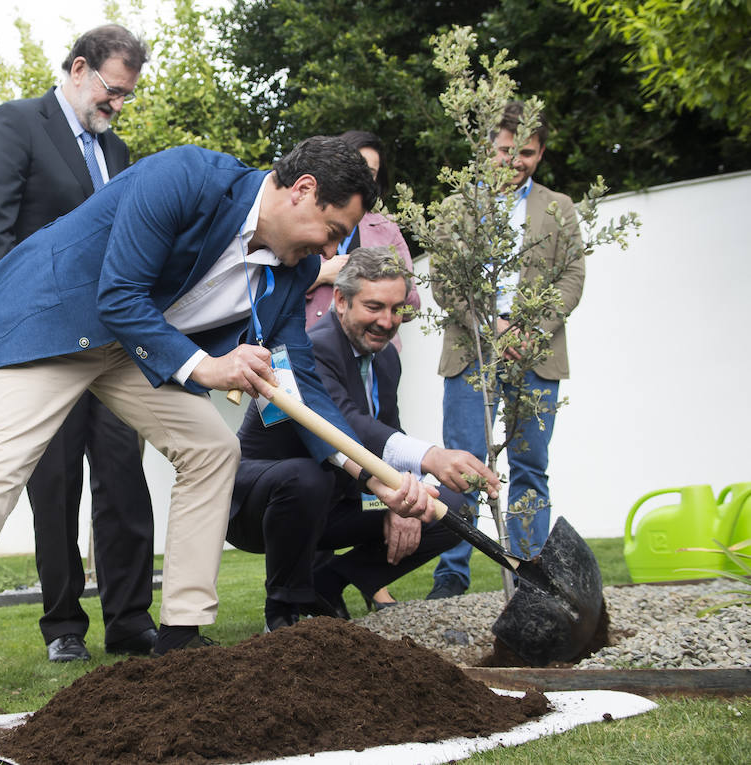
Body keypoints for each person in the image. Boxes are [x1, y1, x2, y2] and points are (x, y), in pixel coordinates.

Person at [0, 136, 440, 725]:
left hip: (135, 350)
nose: (334, 249)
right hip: (54, 322)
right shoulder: (186, 176)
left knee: (212, 448)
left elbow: (299, 384)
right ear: (302, 191)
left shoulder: (292, 274)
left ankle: (181, 639)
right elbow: (119, 294)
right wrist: (209, 367)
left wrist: (371, 474)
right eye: (332, 229)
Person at [0, 24, 157, 663]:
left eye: (128, 96)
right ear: (79, 69)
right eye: (113, 90)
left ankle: (133, 622)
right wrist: (22, 328)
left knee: (123, 482)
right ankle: (64, 630)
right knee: (54, 489)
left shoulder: (121, 153)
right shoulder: (18, 123)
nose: (118, 105)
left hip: (109, 345)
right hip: (45, 346)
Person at [228, 247, 500, 632]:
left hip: (341, 499)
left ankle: (329, 582)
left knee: (447, 506)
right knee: (309, 477)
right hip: (261, 504)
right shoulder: (312, 348)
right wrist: (431, 457)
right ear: (340, 300)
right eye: (374, 307)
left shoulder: (387, 359)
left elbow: (390, 430)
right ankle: (284, 614)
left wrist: (404, 495)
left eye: (396, 309)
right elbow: (348, 425)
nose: (387, 321)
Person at [428, 102, 585, 599]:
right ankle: (452, 576)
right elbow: (444, 280)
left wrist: (528, 329)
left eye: (528, 153)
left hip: (534, 355)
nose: (516, 161)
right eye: (505, 151)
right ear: (486, 149)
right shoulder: (457, 208)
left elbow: (572, 276)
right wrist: (489, 326)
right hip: (471, 351)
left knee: (530, 468)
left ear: (540, 153)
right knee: (463, 464)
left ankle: (529, 578)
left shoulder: (559, 207)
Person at [305, 130, 419, 347]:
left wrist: (379, 287)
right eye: (356, 168)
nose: (362, 179)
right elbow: (271, 293)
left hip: (375, 354)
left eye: (371, 173)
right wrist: (319, 276)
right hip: (314, 348)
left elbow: (412, 304)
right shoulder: (306, 218)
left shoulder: (387, 228)